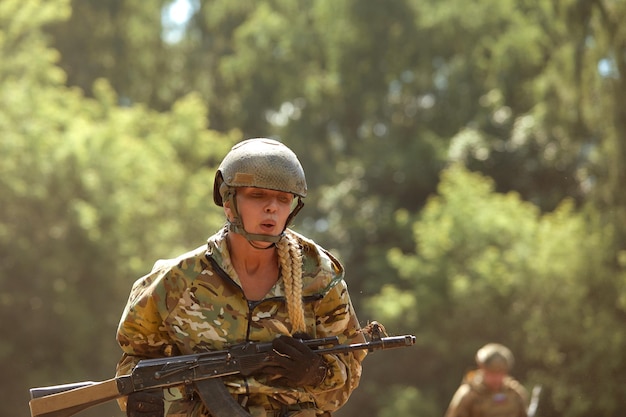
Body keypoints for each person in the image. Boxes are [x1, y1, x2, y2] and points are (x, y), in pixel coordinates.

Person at [115, 138, 367, 417]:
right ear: (229, 203)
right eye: (258, 195)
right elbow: (134, 361)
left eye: (283, 199)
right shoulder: (177, 281)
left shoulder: (319, 277)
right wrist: (137, 401)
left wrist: (316, 374)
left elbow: (349, 369)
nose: (272, 207)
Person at [444, 343, 528, 417]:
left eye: (500, 373)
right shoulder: (469, 395)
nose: (496, 378)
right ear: (482, 369)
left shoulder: (515, 394)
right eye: (492, 373)